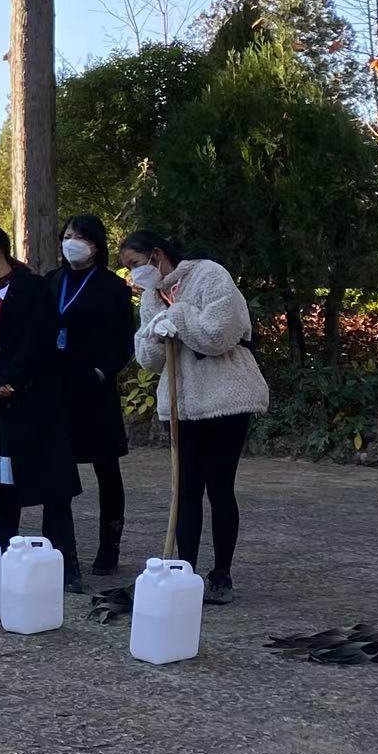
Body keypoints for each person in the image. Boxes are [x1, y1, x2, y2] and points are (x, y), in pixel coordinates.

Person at [122, 230, 268, 605]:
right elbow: (149, 360)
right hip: (183, 405)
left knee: (220, 486)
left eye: (135, 265)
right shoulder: (151, 297)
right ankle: (183, 570)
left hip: (225, 399)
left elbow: (220, 335)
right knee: (184, 489)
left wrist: (179, 316)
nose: (133, 275)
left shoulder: (209, 275)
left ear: (156, 255)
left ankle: (221, 574)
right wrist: (155, 334)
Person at [0, 224, 84, 591]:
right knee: (1, 482)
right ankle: (7, 554)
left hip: (35, 398)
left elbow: (41, 339)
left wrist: (15, 380)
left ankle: (65, 563)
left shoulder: (33, 288)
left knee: (51, 485)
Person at [48, 214, 136, 575]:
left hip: (95, 388)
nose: (71, 242)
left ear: (95, 245)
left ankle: (109, 544)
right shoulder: (52, 282)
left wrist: (103, 370)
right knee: (57, 467)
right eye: (67, 235)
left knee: (105, 467)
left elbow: (125, 340)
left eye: (79, 237)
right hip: (57, 388)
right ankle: (61, 544)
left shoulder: (113, 287)